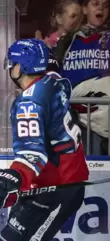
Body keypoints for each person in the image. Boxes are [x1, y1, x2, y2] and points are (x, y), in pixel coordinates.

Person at [0, 39, 89, 241]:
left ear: (22, 67)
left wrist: (12, 177)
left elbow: (33, 152)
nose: (10, 68)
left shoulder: (30, 100)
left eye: (12, 63)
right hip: (52, 185)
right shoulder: (54, 81)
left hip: (58, 189)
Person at [53, 0, 109, 155]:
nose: (101, 8)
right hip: (80, 121)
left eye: (105, 5)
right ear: (84, 9)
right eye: (95, 4)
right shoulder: (67, 41)